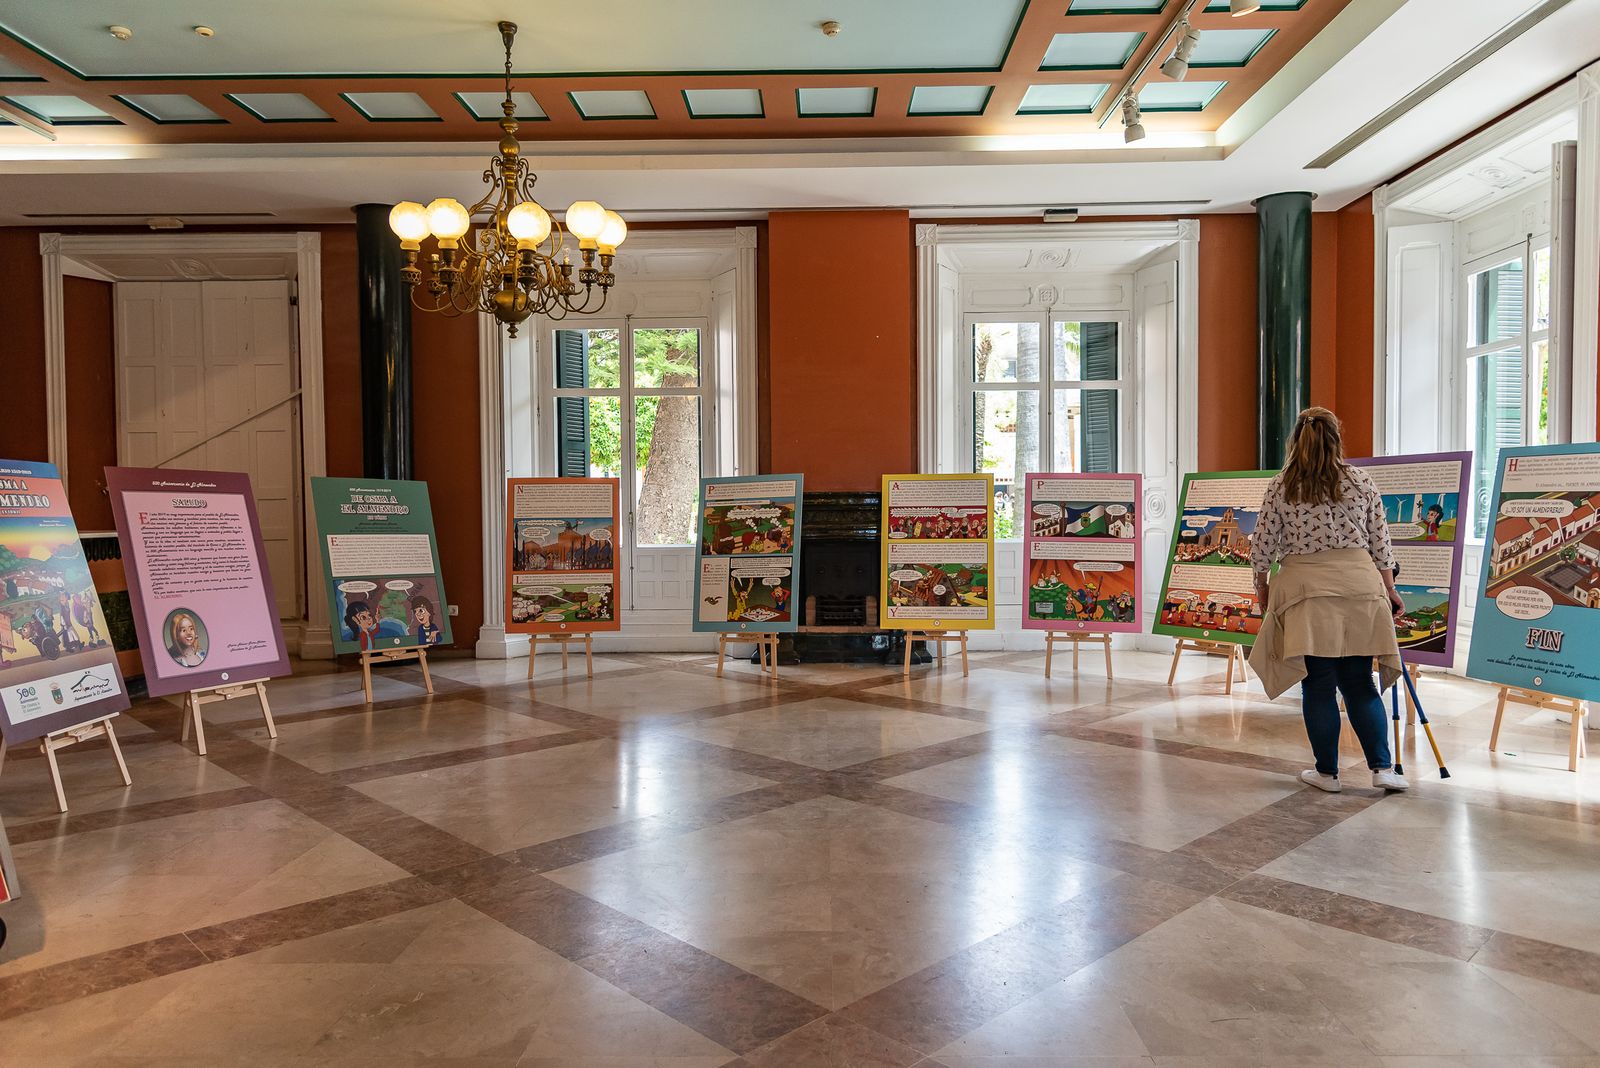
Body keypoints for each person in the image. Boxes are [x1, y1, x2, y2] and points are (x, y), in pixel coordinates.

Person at [1248, 407, 1410, 793]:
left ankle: (1327, 774)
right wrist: (1390, 589)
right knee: (1360, 682)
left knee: (1318, 684)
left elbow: (1262, 547)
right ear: (1337, 438)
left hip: (1306, 594)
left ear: (1296, 439)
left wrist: (1263, 589)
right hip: (1360, 588)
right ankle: (1382, 769)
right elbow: (1381, 543)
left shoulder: (1282, 485)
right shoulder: (1361, 480)